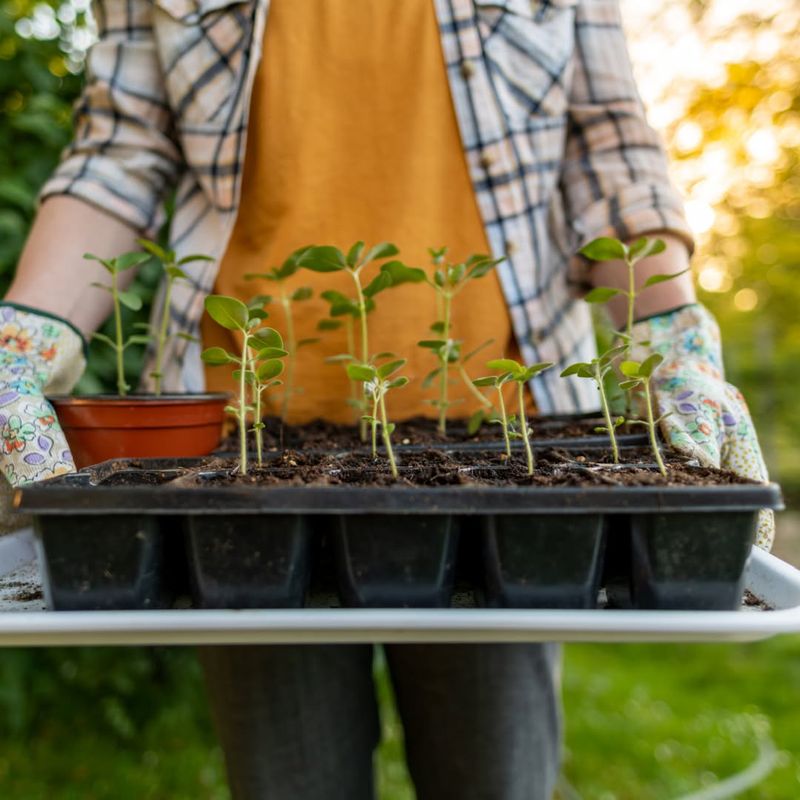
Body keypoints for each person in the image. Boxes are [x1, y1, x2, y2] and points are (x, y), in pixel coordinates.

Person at [0, 0, 773, 797]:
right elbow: (120, 149)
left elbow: (610, 148)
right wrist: (22, 340)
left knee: (495, 775)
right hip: (236, 454)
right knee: (288, 778)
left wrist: (670, 331)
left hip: (503, 450)